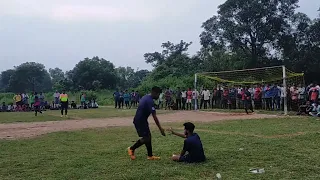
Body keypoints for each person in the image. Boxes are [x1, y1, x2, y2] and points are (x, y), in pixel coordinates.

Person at [127, 86, 166, 160]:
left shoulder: (146, 97)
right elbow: (154, 117)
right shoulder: (149, 101)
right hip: (140, 121)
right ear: (154, 93)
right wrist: (160, 129)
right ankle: (131, 148)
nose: (158, 96)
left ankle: (150, 156)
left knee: (148, 137)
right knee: (146, 138)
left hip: (142, 120)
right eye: (158, 94)